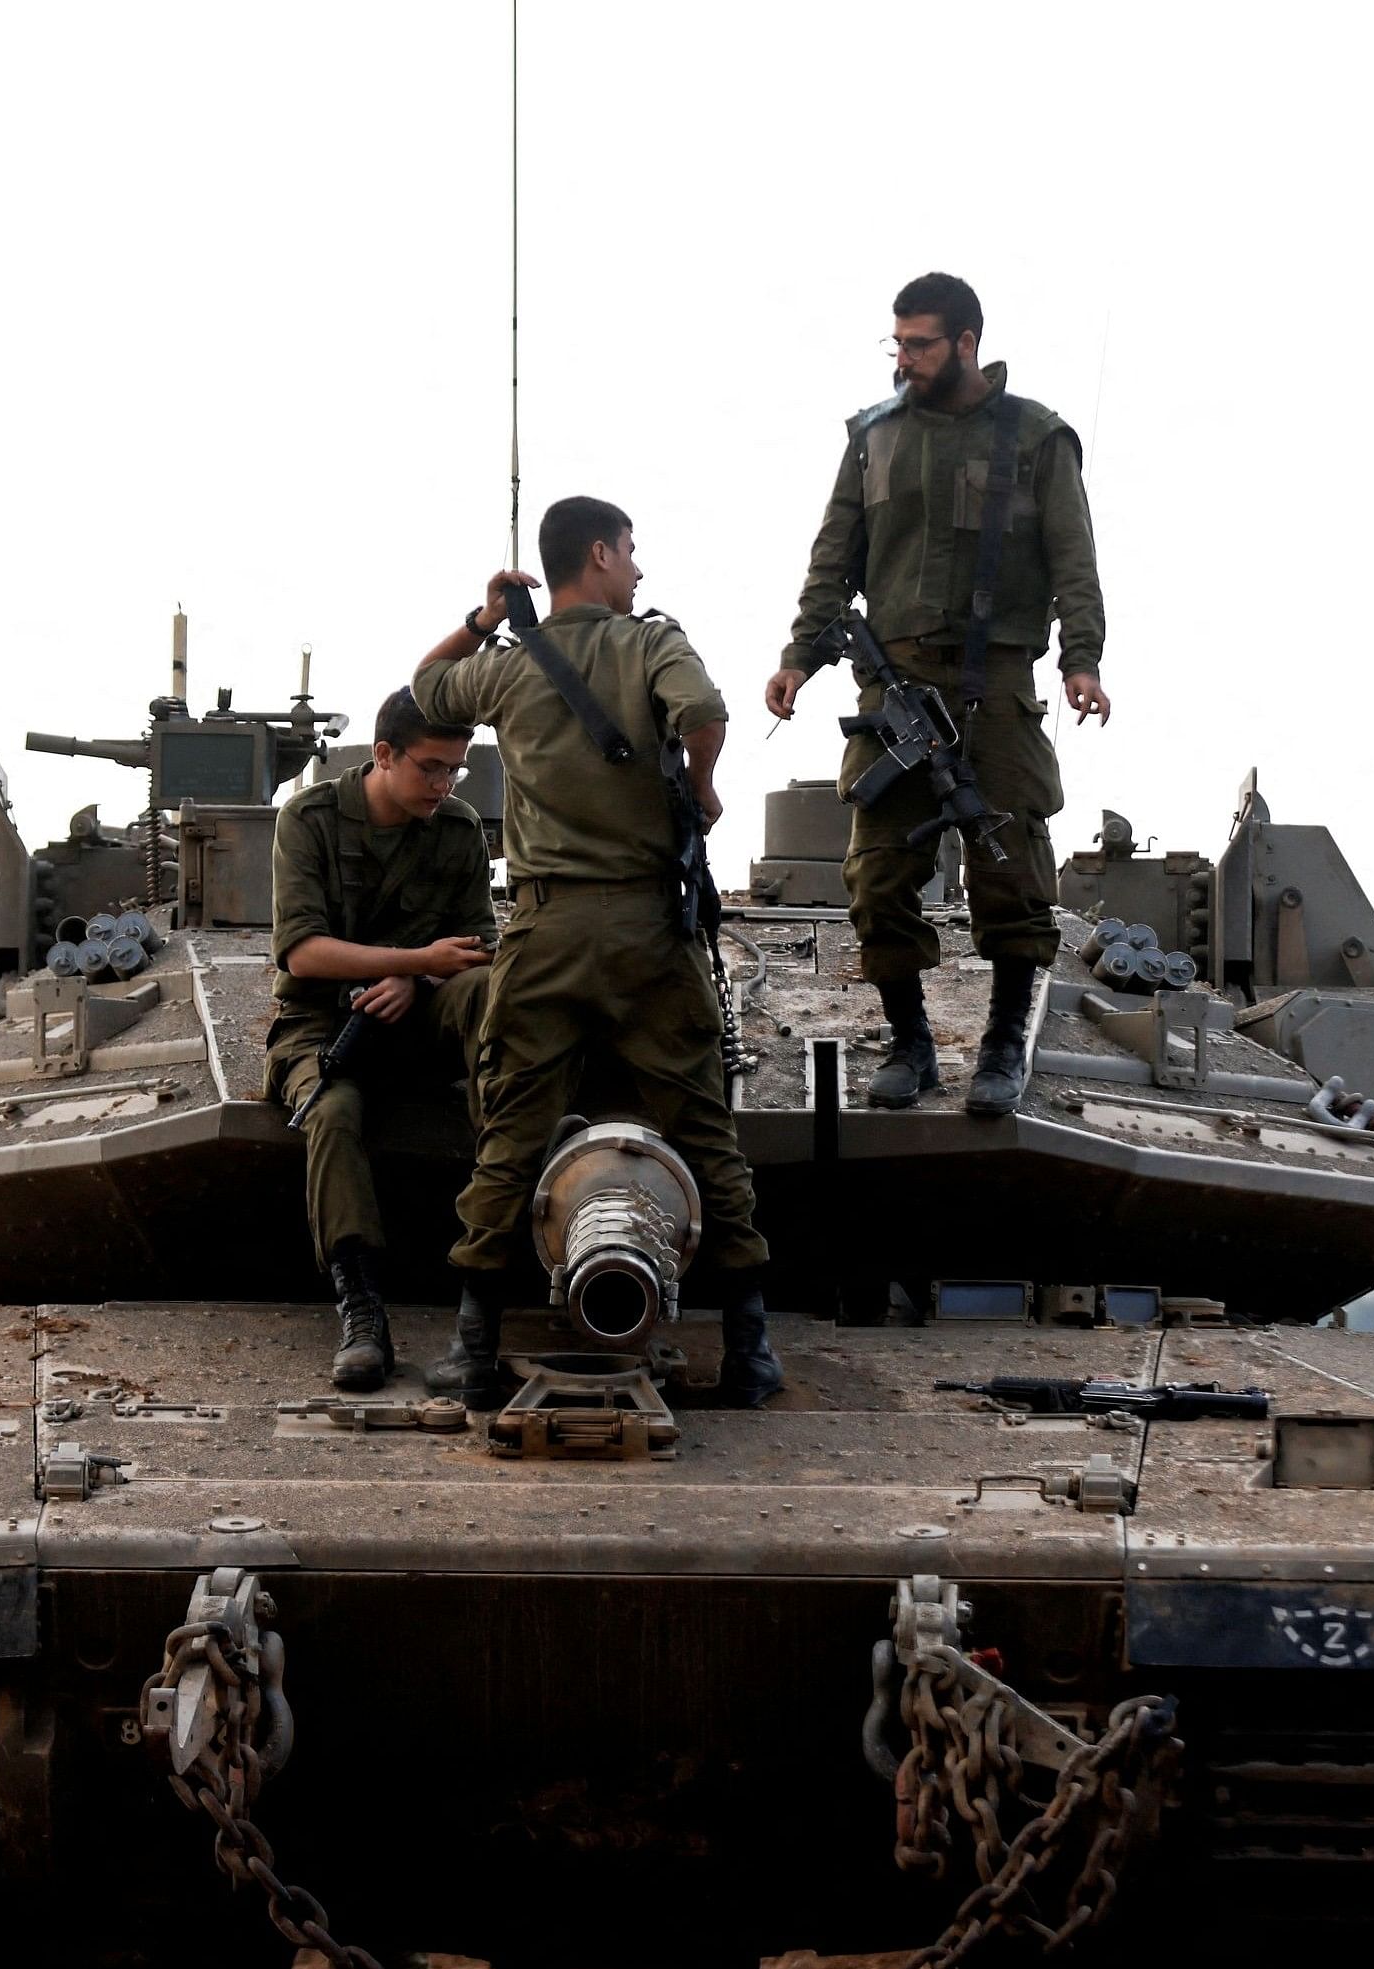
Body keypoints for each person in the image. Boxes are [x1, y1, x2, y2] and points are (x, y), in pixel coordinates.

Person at [410, 497, 782, 1406]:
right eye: (631, 553)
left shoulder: (505, 668)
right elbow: (702, 710)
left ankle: (471, 1345)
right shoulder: (652, 643)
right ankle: (748, 1347)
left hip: (544, 933)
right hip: (651, 934)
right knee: (704, 1131)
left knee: (511, 1133)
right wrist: (700, 787)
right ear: (602, 553)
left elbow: (423, 688)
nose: (640, 572)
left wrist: (484, 619)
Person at [764, 270, 1109, 1118]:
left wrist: (1083, 658)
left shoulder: (1037, 437)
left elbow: (1074, 557)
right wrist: (799, 658)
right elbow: (833, 555)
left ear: (966, 343)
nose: (904, 359)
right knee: (877, 876)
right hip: (893, 685)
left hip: (995, 682)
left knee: (1013, 874)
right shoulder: (873, 437)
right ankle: (911, 1042)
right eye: (898, 342)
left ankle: (1000, 1045)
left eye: (920, 344)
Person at [265, 688, 497, 1391]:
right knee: (332, 1113)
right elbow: (302, 952)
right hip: (321, 1022)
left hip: (420, 1015)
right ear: (384, 754)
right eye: (430, 767)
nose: (443, 784)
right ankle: (362, 1309)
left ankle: (501, 1227)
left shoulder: (457, 829)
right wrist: (413, 960)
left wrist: (421, 980)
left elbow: (482, 942)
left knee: (492, 990)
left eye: (455, 769)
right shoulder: (308, 820)